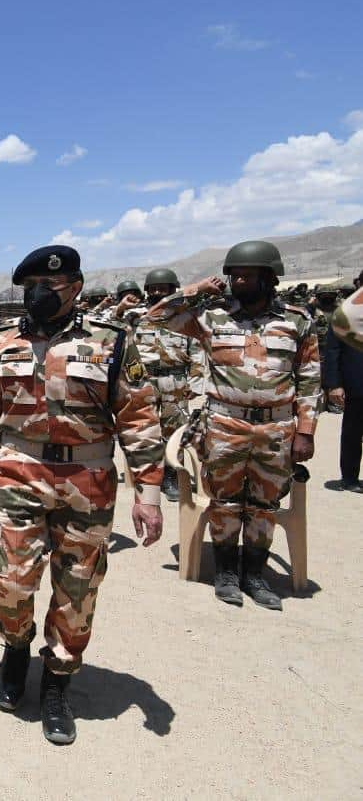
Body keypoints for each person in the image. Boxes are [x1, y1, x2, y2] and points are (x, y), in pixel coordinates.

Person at [0, 245, 164, 745]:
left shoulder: (112, 342)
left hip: (89, 477)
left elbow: (139, 417)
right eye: (31, 285)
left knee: (77, 587)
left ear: (75, 287)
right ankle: (15, 652)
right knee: (12, 578)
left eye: (51, 285)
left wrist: (149, 493)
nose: (39, 294)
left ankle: (58, 682)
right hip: (19, 469)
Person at [148, 240, 320, 611]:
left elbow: (309, 379)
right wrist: (195, 290)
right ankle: (226, 573)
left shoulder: (296, 321)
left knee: (265, 503)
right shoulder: (212, 317)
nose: (239, 281)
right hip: (224, 425)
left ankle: (254, 574)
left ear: (270, 278)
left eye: (248, 275)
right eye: (234, 275)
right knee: (224, 500)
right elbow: (156, 316)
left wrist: (305, 430)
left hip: (276, 429)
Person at [121, 268, 197, 501]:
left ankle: (172, 475)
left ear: (173, 290)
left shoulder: (186, 316)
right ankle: (148, 475)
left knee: (175, 432)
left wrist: (195, 381)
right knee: (145, 429)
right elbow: (110, 327)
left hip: (175, 381)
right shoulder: (136, 316)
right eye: (153, 289)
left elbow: (197, 349)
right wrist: (121, 307)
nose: (156, 292)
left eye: (162, 289)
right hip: (144, 379)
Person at [324, 309, 363, 492]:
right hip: (356, 385)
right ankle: (349, 478)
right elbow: (332, 351)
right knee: (352, 435)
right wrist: (335, 384)